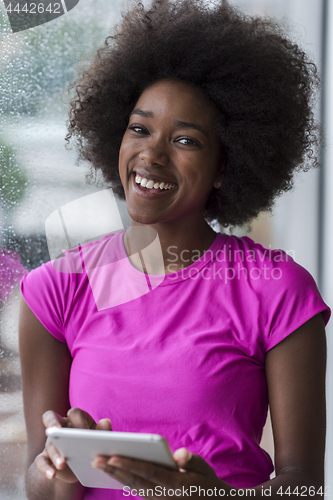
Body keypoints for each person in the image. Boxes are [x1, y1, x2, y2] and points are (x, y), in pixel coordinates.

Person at [19, 0, 331, 499]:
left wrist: (214, 498)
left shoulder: (276, 290)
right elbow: (35, 484)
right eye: (139, 129)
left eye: (186, 140)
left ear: (227, 164)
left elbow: (304, 486)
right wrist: (58, 468)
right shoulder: (55, 290)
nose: (152, 154)